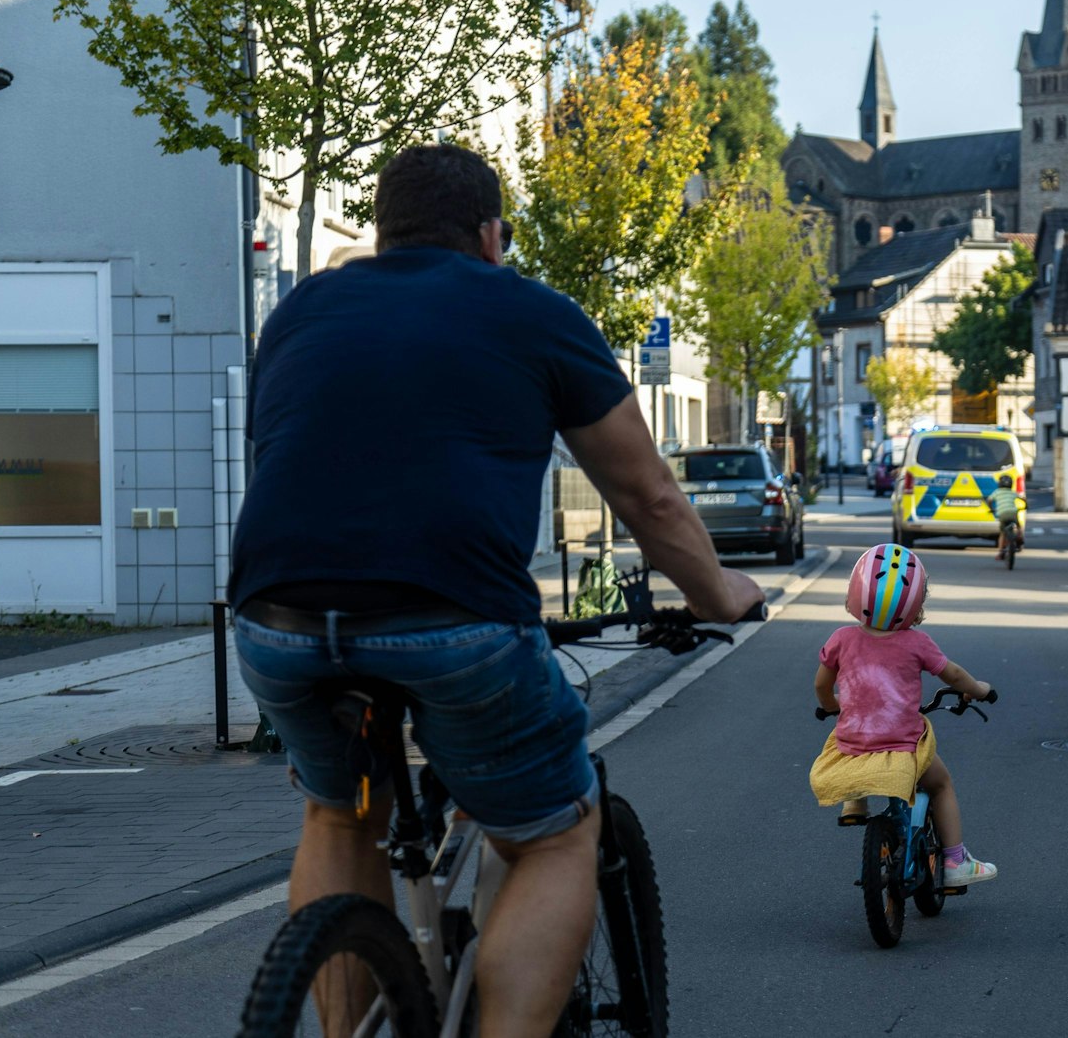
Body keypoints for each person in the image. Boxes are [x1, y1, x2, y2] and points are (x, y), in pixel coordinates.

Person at [229, 144, 763, 1038]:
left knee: (341, 812)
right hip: (452, 620)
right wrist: (716, 592)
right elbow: (648, 495)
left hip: (275, 616)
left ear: (382, 232)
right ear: (490, 235)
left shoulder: (300, 310)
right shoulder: (532, 311)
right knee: (553, 834)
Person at [811, 543, 999, 886]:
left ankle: (856, 803)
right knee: (941, 784)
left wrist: (832, 706)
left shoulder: (840, 639)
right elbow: (954, 675)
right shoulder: (917, 643)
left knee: (844, 737)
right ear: (916, 602)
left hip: (856, 744)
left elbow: (822, 686)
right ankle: (956, 862)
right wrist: (979, 689)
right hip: (903, 746)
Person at [989, 474, 1024, 560]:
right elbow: (1022, 498)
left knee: (1002, 533)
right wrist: (1026, 506)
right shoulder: (1012, 492)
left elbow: (989, 500)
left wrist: (991, 509)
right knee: (1018, 525)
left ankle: (1001, 552)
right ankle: (1019, 536)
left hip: (1002, 514)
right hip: (1013, 513)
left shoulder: (997, 492)